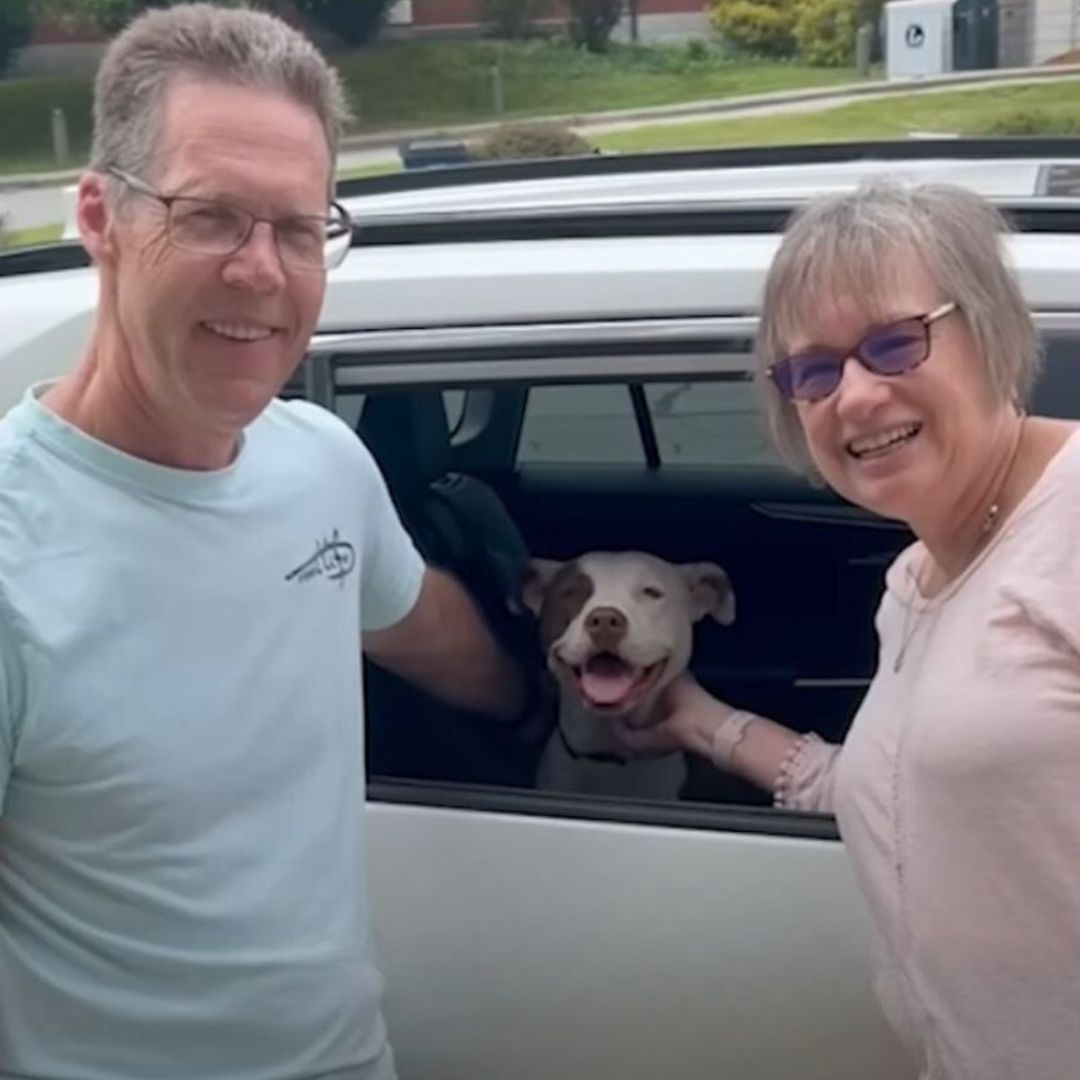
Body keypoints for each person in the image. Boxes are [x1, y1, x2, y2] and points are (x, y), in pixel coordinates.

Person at [0, 5, 527, 1078]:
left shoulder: (322, 462)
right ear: (98, 215)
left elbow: (427, 632)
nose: (261, 271)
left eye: (297, 228)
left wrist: (549, 715)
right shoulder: (16, 551)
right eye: (210, 218)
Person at [613, 182, 1080, 1079]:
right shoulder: (914, 580)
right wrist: (703, 722)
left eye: (895, 343)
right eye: (813, 372)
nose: (855, 395)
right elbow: (915, 803)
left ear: (987, 327)